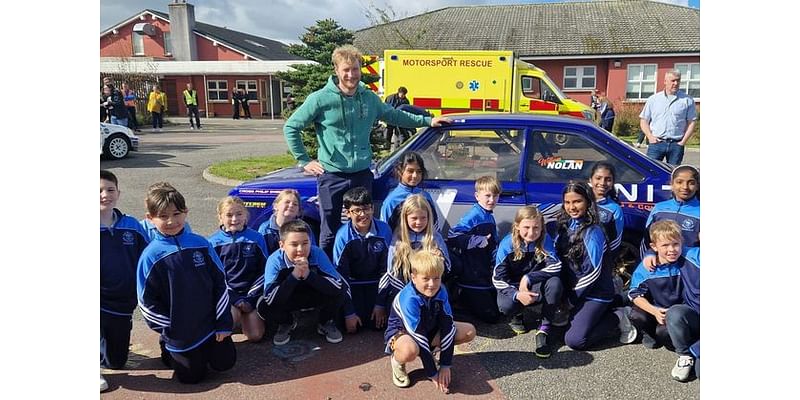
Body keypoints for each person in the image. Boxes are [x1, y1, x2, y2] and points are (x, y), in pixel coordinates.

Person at [283, 44, 451, 259]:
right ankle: (328, 275)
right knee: (330, 231)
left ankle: (363, 270)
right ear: (336, 69)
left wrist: (427, 121)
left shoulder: (369, 98)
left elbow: (394, 115)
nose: (351, 74)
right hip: (332, 175)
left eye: (355, 69)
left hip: (362, 174)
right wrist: (303, 160)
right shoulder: (320, 99)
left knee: (364, 226)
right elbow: (291, 127)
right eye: (346, 69)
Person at [137, 184, 236, 384]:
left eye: (176, 213)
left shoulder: (201, 243)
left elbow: (220, 282)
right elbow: (146, 302)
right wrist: (168, 328)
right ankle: (168, 348)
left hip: (209, 324)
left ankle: (200, 351)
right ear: (150, 218)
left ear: (186, 212)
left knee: (225, 363)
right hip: (179, 331)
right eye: (163, 216)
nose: (171, 221)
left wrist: (223, 323)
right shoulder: (151, 255)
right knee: (191, 378)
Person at [553, 181, 637, 350]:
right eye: (567, 202)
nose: (572, 207)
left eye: (577, 201)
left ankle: (618, 315)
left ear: (588, 202)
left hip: (595, 292)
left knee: (575, 341)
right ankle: (618, 300)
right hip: (575, 290)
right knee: (556, 334)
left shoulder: (593, 231)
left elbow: (592, 274)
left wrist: (569, 301)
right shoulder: (564, 225)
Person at [384, 250, 476, 392]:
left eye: (436, 278)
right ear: (413, 278)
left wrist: (445, 365)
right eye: (425, 278)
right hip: (404, 334)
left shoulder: (441, 290)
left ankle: (431, 353)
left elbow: (447, 326)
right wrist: (433, 373)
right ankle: (397, 362)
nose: (432, 284)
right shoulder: (409, 299)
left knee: (469, 331)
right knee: (410, 350)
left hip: (428, 328)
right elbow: (418, 337)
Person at [256, 220, 347, 345]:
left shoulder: (317, 253)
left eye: (305, 243)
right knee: (263, 305)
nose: (300, 249)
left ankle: (325, 321)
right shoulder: (275, 260)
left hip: (313, 294)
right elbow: (270, 298)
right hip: (289, 298)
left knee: (342, 290)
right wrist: (294, 276)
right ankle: (286, 322)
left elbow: (337, 286)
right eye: (294, 244)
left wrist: (308, 275)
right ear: (282, 245)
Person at [100, 170, 149, 392]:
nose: (104, 195)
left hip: (123, 302)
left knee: (116, 361)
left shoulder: (130, 225)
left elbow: (148, 257)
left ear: (118, 193)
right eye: (98, 191)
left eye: (110, 190)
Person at [493, 206, 563, 358]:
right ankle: (516, 315)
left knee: (555, 283)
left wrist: (529, 278)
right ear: (517, 226)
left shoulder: (545, 239)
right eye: (526, 227)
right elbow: (498, 279)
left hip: (534, 283)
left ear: (541, 227)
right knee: (505, 306)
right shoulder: (507, 244)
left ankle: (545, 326)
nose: (531, 233)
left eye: (536, 228)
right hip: (514, 287)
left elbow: (556, 266)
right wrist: (517, 294)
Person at [208, 196, 270, 342]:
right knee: (230, 319)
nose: (234, 219)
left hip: (251, 295)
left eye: (239, 214)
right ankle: (233, 320)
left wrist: (249, 298)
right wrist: (235, 299)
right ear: (220, 217)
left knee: (255, 336)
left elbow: (264, 271)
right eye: (229, 215)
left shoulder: (256, 238)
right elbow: (214, 277)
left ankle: (246, 318)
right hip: (229, 296)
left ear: (246, 215)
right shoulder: (213, 242)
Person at [377, 194, 451, 318]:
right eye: (414, 218)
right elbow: (390, 274)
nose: (419, 222)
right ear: (405, 218)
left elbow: (448, 269)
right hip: (402, 290)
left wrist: (440, 259)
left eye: (423, 218)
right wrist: (379, 304)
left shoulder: (435, 238)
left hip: (429, 289)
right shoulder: (397, 239)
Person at [332, 186, 394, 333]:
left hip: (377, 285)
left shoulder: (384, 230)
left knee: (379, 325)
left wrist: (380, 304)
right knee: (351, 327)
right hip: (353, 286)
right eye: (356, 211)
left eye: (366, 209)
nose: (363, 214)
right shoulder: (343, 236)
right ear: (348, 213)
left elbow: (387, 270)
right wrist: (349, 312)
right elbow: (341, 275)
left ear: (373, 208)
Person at [446, 176, 502, 323]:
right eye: (487, 196)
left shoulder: (488, 215)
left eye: (495, 196)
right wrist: (476, 240)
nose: (491, 200)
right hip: (472, 274)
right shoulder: (475, 215)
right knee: (492, 317)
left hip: (483, 272)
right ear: (477, 196)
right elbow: (453, 235)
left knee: (499, 311)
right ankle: (459, 302)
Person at [627, 220, 685, 350]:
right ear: (654, 247)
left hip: (679, 311)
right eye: (665, 245)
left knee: (665, 335)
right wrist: (654, 311)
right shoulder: (647, 267)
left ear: (682, 242)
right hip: (657, 309)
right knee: (637, 315)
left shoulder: (688, 261)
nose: (671, 250)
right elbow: (634, 294)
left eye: (675, 244)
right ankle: (649, 333)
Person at [640, 165, 700, 259]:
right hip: (660, 268)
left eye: (691, 183)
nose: (685, 187)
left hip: (690, 269)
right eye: (679, 182)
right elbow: (647, 240)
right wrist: (649, 255)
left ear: (697, 186)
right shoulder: (659, 209)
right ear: (671, 184)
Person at [640, 70, 698, 165]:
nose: (676, 83)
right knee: (651, 170)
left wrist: (683, 142)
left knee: (674, 175)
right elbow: (644, 120)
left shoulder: (687, 100)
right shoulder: (653, 99)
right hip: (656, 144)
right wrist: (650, 137)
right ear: (665, 81)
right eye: (673, 81)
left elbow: (691, 123)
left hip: (676, 145)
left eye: (678, 81)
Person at [379, 152, 439, 232]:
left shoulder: (426, 197)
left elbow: (435, 228)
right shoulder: (392, 201)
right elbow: (384, 232)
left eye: (419, 171)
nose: (415, 175)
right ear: (400, 171)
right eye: (410, 171)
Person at [666, 244, 700, 382]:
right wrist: (650, 253)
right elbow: (664, 242)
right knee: (675, 313)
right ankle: (685, 355)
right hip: (695, 313)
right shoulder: (690, 253)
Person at [257, 189, 316, 255]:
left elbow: (313, 252)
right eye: (287, 202)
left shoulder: (305, 228)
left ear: (298, 211)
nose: (291, 205)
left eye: (295, 204)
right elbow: (261, 255)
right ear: (276, 206)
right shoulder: (265, 229)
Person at [589, 162, 624, 273]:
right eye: (598, 178)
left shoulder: (614, 209)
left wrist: (606, 262)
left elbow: (615, 241)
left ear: (613, 182)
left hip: (600, 263)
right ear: (590, 180)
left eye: (608, 179)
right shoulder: (580, 202)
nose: (602, 183)